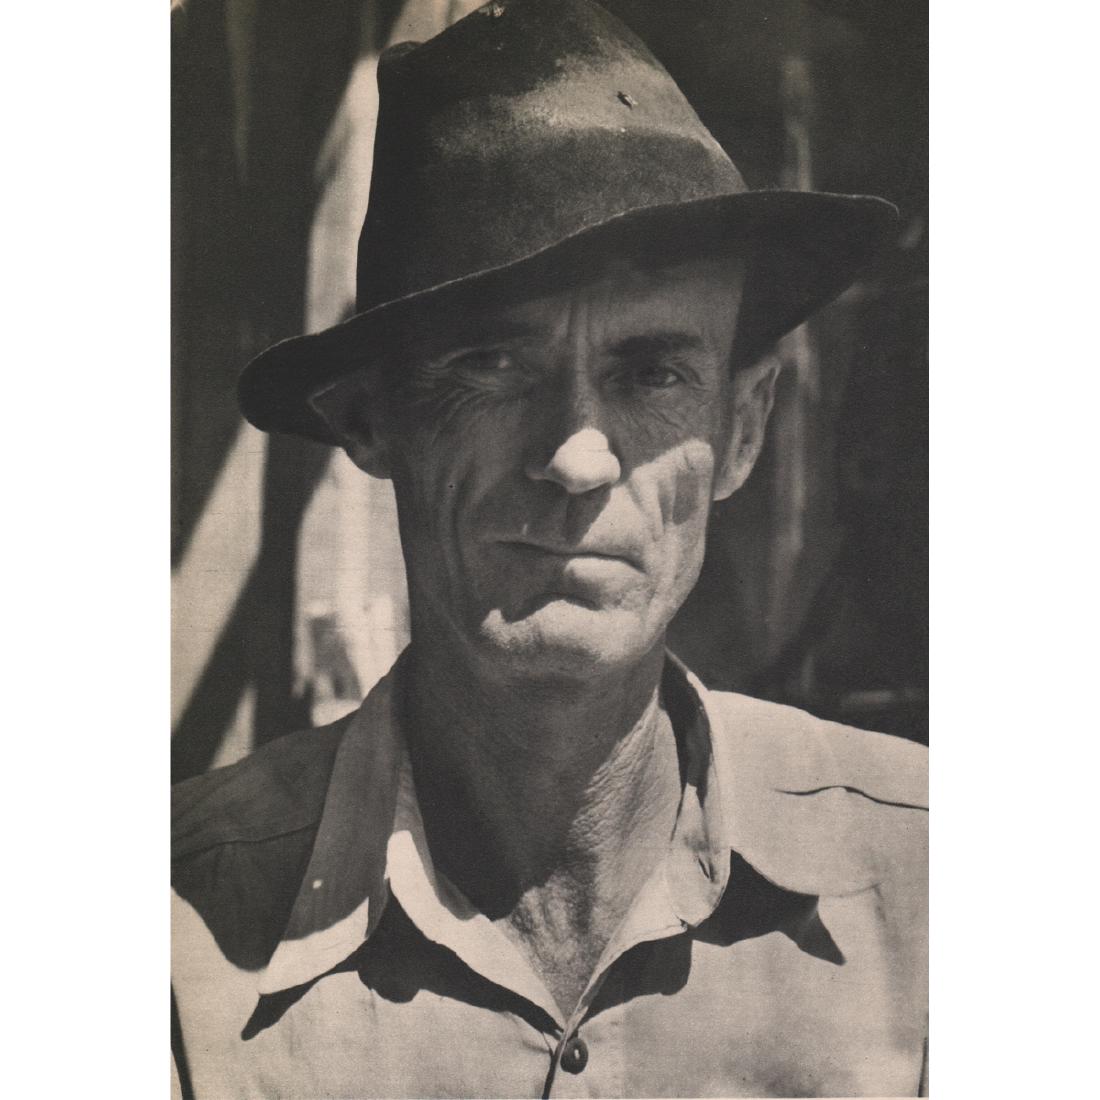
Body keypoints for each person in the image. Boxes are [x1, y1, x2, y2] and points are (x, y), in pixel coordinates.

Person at [171, 1, 927, 1097]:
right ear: (373, 420)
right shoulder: (173, 938)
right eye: (490, 363)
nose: (575, 458)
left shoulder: (936, 890)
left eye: (652, 371)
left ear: (744, 428)